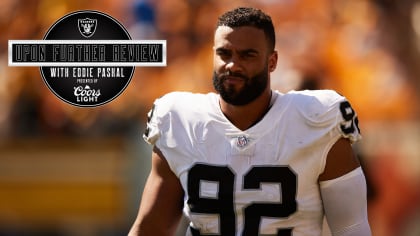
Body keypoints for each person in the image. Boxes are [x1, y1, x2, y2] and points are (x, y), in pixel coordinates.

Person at [128, 7, 371, 236]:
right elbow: (150, 229)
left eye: (248, 55)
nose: (233, 65)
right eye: (224, 53)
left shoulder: (317, 119)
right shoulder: (179, 120)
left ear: (272, 61)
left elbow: (352, 229)